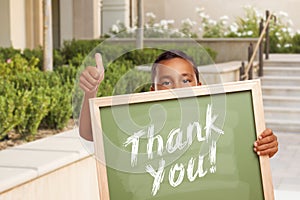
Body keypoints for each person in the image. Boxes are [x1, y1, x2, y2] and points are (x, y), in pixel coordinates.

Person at [79, 50, 278, 158]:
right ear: (153, 91)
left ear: (199, 86)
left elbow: (248, 153)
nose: (178, 88)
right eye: (166, 82)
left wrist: (266, 146)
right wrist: (90, 91)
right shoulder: (141, 127)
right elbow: (89, 134)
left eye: (185, 80)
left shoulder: (224, 123)